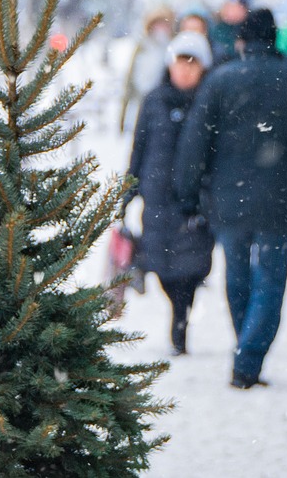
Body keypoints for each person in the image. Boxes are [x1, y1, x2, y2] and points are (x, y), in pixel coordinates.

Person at [173, 8, 287, 388]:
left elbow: (195, 143)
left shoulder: (220, 82)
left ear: (241, 41)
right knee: (271, 281)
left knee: (237, 276)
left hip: (228, 200)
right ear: (274, 39)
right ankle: (250, 355)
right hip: (278, 199)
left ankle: (245, 348)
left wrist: (190, 192)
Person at [124, 30, 215, 356]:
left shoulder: (210, 101)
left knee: (191, 269)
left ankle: (181, 320)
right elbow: (139, 148)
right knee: (161, 266)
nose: (185, 70)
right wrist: (127, 191)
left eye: (193, 63)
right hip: (157, 197)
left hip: (194, 201)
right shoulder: (154, 100)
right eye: (180, 62)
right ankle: (178, 312)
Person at [119, 5, 175, 133]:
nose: (160, 29)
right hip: (139, 102)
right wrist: (122, 117)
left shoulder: (172, 48)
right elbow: (131, 78)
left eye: (164, 25)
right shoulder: (142, 47)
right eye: (157, 24)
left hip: (162, 104)